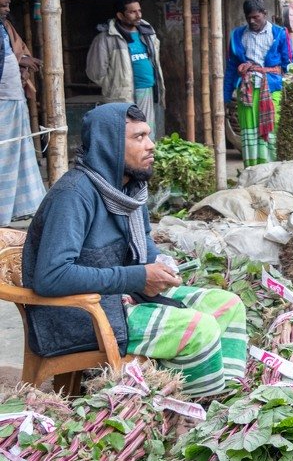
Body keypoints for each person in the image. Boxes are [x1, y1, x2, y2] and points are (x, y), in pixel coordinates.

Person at [21, 103, 248, 398]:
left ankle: (223, 396)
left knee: (228, 306)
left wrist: (160, 267)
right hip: (82, 315)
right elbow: (51, 277)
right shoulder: (74, 196)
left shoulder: (129, 191)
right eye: (138, 137)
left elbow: (144, 252)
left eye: (148, 136)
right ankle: (193, 409)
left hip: (122, 299)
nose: (151, 145)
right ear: (110, 144)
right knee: (198, 328)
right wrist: (136, 277)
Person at [223, 0, 293, 167]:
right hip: (245, 90)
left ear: (265, 14)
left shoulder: (279, 34)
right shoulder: (238, 35)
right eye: (249, 18)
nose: (252, 21)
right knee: (249, 131)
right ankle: (252, 170)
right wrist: (224, 98)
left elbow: (289, 63)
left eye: (256, 17)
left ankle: (271, 167)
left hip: (272, 88)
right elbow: (231, 68)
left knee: (271, 128)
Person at [0, 0, 46, 226]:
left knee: (15, 150)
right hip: (3, 99)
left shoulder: (3, 26)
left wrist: (19, 61)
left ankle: (19, 207)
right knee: (4, 153)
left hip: (11, 98)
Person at [86, 0, 165, 138]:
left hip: (147, 90)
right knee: (127, 135)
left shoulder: (148, 33)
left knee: (147, 132)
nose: (138, 15)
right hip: (122, 95)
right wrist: (115, 86)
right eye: (132, 12)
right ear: (120, 15)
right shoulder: (106, 39)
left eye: (139, 11)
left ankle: (147, 160)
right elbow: (95, 72)